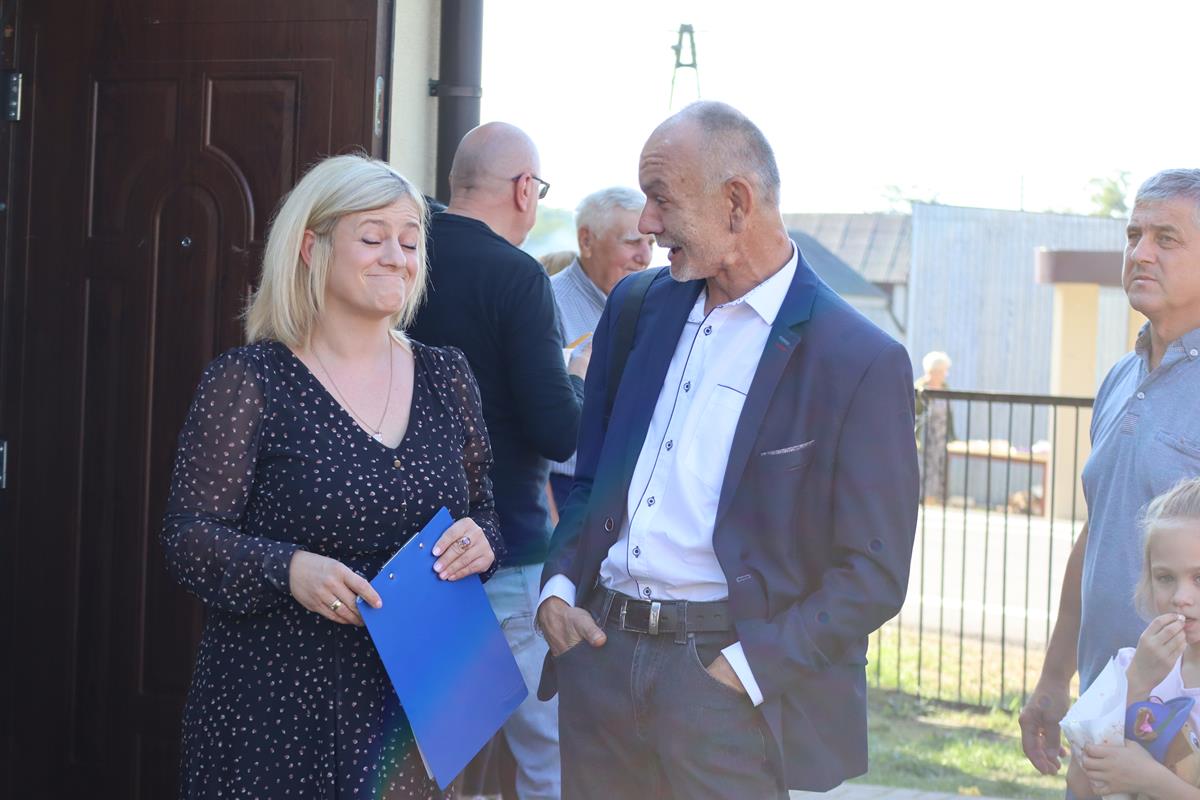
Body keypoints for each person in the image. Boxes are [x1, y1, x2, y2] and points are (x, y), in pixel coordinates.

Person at [536, 101, 920, 798]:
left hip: (721, 688)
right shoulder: (635, 309)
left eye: (662, 199)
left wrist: (743, 672)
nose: (647, 223)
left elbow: (873, 571)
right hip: (598, 657)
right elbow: (593, 479)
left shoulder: (857, 358)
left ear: (736, 203)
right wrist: (559, 588)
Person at [161, 154, 502, 799]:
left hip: (418, 711)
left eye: (410, 242)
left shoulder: (447, 375)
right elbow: (188, 536)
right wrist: (288, 569)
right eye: (373, 238)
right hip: (277, 707)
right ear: (311, 246)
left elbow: (483, 510)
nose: (396, 257)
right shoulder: (251, 381)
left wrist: (481, 541)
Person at [409, 122, 585, 800]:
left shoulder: (402, 257)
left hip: (407, 555)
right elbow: (557, 430)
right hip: (504, 549)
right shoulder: (518, 277)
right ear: (523, 189)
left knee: (435, 758)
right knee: (546, 754)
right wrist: (577, 378)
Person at [1021, 169, 1200, 782]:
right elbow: (1097, 533)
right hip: (1109, 710)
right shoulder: (1120, 378)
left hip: (1185, 742)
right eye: (1133, 235)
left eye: (1166, 238)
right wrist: (1055, 677)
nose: (1140, 253)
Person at [1066, 477, 1200, 799]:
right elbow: (1078, 785)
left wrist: (1150, 781)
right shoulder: (1130, 666)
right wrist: (1136, 683)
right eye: (1165, 577)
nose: (1181, 597)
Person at [546, 187, 655, 509]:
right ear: (586, 240)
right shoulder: (548, 304)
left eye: (650, 243)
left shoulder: (652, 306)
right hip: (566, 491)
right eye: (632, 241)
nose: (645, 257)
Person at [914, 350, 956, 505]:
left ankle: (935, 504)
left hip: (940, 438)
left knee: (938, 473)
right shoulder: (919, 388)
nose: (945, 374)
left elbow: (949, 415)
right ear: (934, 371)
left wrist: (952, 435)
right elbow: (914, 414)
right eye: (943, 371)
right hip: (924, 439)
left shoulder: (945, 388)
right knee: (923, 472)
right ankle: (921, 504)